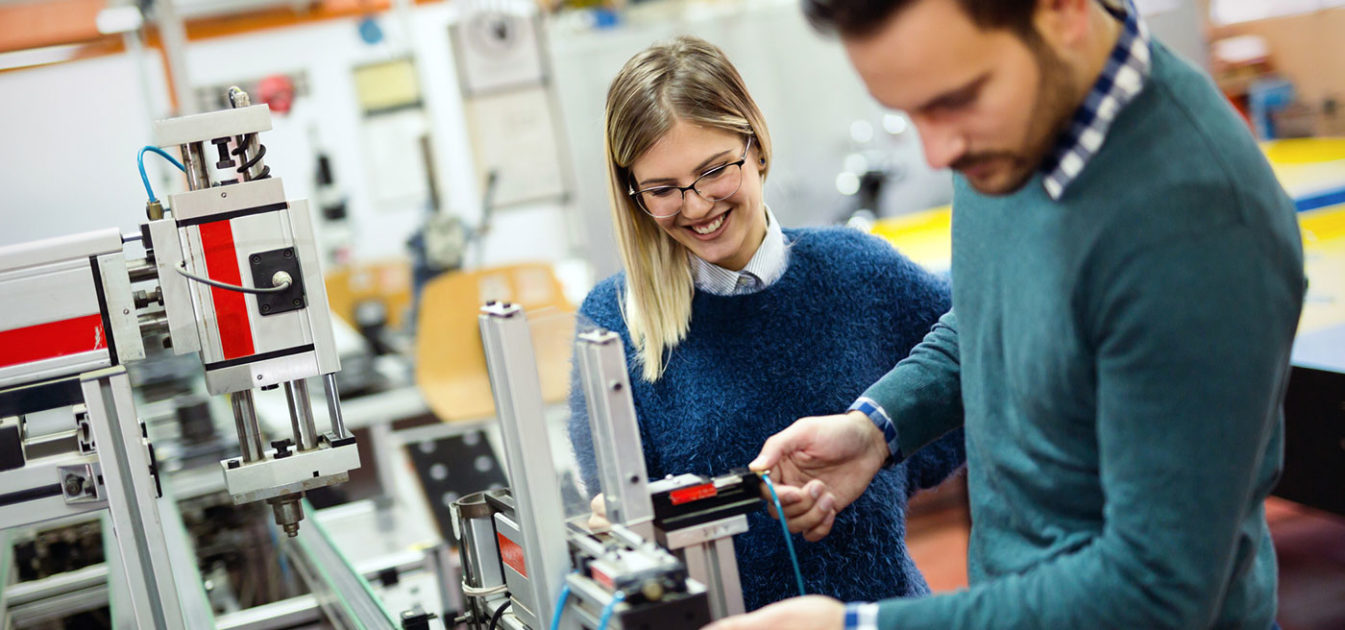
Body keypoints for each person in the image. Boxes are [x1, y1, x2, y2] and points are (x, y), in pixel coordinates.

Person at [706, 0, 1306, 628]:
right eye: (910, 112)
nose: (938, 152)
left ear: (1063, 12)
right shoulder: (1007, 129)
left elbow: (1153, 592)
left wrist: (858, 627)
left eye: (952, 100)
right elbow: (991, 315)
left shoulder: (1197, 224)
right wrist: (875, 428)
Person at [566, 35, 966, 612]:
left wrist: (881, 457)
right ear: (634, 195)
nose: (697, 205)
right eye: (662, 190)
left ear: (754, 145)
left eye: (712, 170)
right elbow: (618, 520)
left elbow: (975, 363)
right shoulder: (613, 324)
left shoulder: (858, 269)